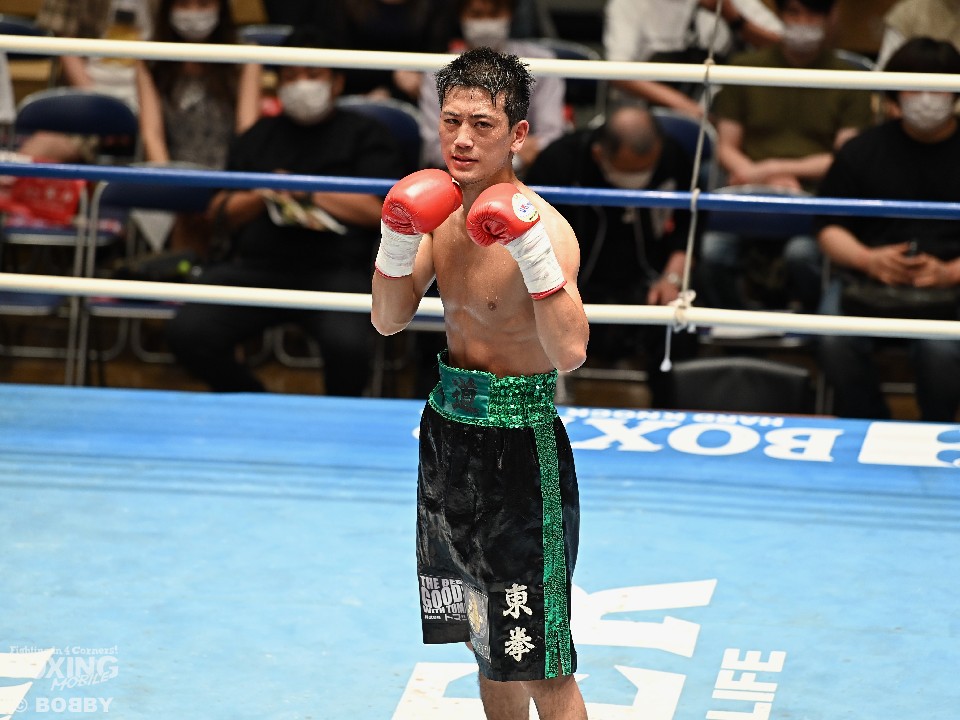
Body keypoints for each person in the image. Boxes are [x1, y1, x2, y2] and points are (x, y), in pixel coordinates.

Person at [371, 47, 589, 719]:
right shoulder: (435, 214)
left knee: (540, 660)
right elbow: (388, 319)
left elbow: (571, 352)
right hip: (448, 439)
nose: (462, 139)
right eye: (451, 122)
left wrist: (532, 255)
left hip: (520, 448)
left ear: (518, 133)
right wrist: (395, 238)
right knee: (483, 639)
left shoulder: (547, 230)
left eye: (482, 125)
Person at [166, 28, 406, 396]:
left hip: (336, 272)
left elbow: (380, 212)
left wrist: (308, 191)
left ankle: (334, 422)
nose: (301, 85)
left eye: (312, 75)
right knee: (188, 331)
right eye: (290, 76)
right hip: (257, 267)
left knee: (349, 348)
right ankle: (253, 403)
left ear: (336, 82)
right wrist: (263, 193)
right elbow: (219, 212)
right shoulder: (258, 136)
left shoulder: (366, 135)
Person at [814, 37, 960, 421]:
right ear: (895, 92)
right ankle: (871, 425)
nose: (927, 98)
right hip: (867, 278)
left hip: (951, 283)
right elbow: (828, 226)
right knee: (832, 335)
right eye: (915, 86)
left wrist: (949, 272)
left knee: (942, 350)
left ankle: (935, 432)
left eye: (939, 86)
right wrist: (867, 259)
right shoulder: (861, 150)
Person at [697, 0, 874, 312]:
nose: (803, 22)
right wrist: (763, 179)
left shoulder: (851, 77)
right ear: (779, 15)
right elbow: (726, 146)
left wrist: (772, 168)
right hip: (747, 189)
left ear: (830, 18)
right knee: (713, 250)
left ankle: (803, 321)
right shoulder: (745, 68)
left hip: (816, 194)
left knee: (802, 255)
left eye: (814, 13)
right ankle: (737, 324)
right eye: (794, 12)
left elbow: (846, 156)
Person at [525, 103, 699, 405]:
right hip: (570, 284)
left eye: (648, 169)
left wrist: (673, 277)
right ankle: (543, 412)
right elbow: (529, 234)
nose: (642, 178)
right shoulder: (560, 162)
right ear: (599, 154)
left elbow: (690, 225)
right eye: (632, 171)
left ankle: (673, 412)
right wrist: (555, 288)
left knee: (681, 321)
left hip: (648, 284)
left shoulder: (672, 156)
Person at [136, 0, 262, 259]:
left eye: (203, 3)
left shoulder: (246, 56)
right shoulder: (149, 59)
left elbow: (247, 132)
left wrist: (227, 192)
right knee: (179, 217)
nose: (194, 13)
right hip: (172, 175)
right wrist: (173, 190)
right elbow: (152, 135)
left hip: (227, 179)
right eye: (184, 3)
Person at [419, 0, 566, 174]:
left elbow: (551, 137)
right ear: (460, 16)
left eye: (494, 14)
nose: (485, 22)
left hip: (528, 174)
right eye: (476, 14)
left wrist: (508, 163)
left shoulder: (541, 62)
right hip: (459, 176)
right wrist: (503, 158)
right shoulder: (439, 68)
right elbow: (434, 147)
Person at [23, 0, 158, 161]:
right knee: (34, 152)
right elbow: (63, 36)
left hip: (154, 103)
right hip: (86, 99)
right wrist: (99, 110)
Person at [603, 0, 783, 118]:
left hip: (721, 113)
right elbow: (618, 71)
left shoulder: (731, 3)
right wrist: (683, 106)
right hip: (649, 111)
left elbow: (786, 49)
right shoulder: (628, 4)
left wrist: (734, 18)